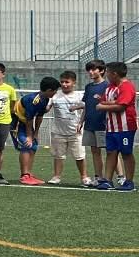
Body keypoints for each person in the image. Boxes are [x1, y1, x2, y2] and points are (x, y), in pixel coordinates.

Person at [96, 61, 137, 191]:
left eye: (107, 72)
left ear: (114, 74)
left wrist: (103, 106)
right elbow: (104, 100)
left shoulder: (127, 86)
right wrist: (106, 103)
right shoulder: (110, 87)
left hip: (125, 127)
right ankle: (107, 180)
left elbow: (121, 106)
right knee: (110, 152)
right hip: (111, 127)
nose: (106, 74)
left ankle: (129, 181)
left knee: (126, 153)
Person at [12, 76, 59, 186]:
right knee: (27, 144)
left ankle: (28, 173)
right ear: (49, 91)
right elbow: (29, 119)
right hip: (18, 123)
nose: (56, 93)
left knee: (34, 145)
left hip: (27, 124)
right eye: (55, 91)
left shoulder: (45, 99)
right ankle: (24, 175)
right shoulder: (34, 100)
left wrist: (36, 133)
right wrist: (29, 136)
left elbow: (39, 116)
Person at [47, 70, 87, 185]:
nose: (64, 84)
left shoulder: (80, 96)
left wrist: (81, 123)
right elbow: (46, 108)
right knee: (58, 155)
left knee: (79, 156)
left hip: (75, 132)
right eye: (62, 82)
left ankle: (84, 177)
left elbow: (86, 108)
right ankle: (56, 176)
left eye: (67, 82)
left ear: (74, 82)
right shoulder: (55, 95)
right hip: (58, 132)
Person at [82, 59, 108, 187]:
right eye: (89, 70)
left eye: (93, 69)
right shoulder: (88, 87)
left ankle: (120, 176)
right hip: (90, 124)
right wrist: (81, 121)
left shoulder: (107, 86)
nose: (90, 72)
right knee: (94, 151)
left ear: (102, 71)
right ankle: (99, 177)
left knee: (111, 151)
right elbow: (86, 105)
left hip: (103, 124)